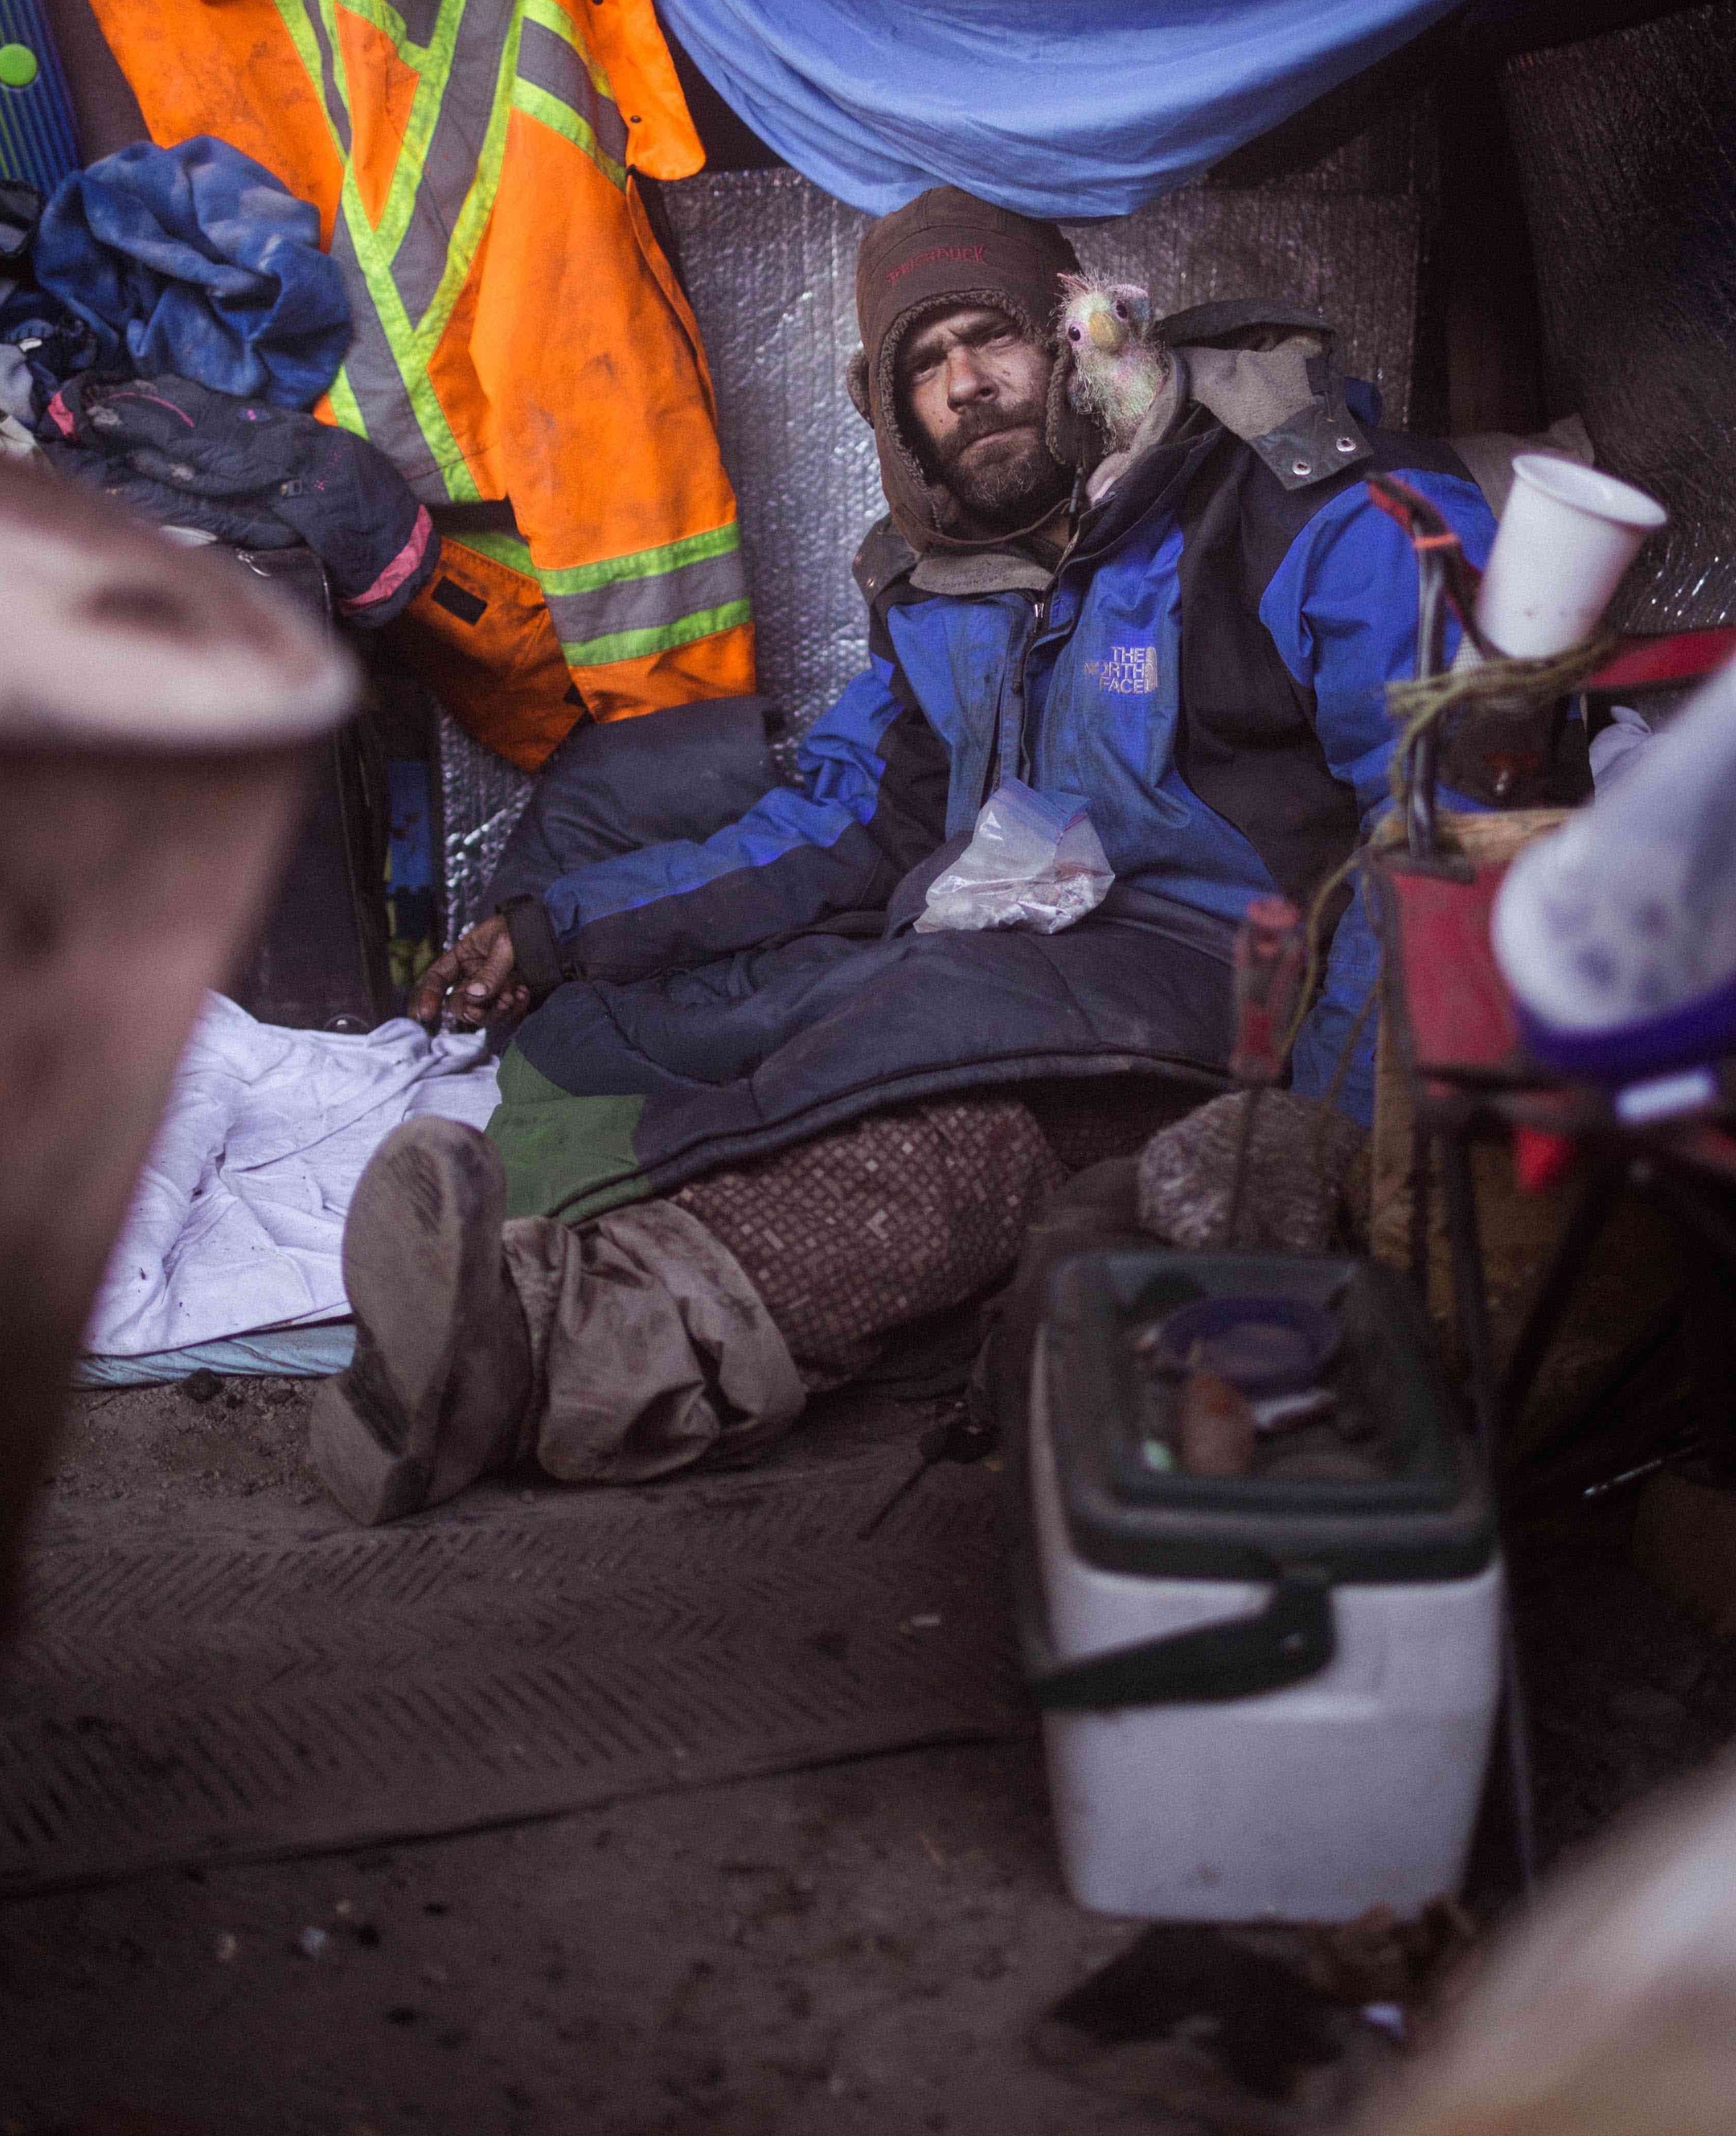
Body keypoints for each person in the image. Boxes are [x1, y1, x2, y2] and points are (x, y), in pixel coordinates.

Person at [309, 188, 1498, 1525]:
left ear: (1078, 335)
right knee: (683, 1019)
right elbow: (837, 823)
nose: (967, 386)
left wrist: (1324, 1135)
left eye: (989, 337)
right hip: (1019, 958)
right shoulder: (946, 584)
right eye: (923, 367)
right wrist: (558, 931)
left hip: (1224, 994)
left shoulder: (1292, 507)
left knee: (953, 1127)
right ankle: (522, 1264)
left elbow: (1439, 844)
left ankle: (548, 1361)